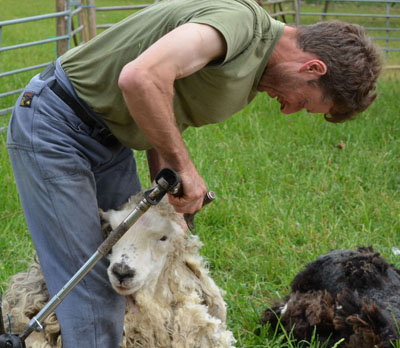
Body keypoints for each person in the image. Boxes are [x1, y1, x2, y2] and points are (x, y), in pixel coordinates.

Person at [6, 0, 383, 346]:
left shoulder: (254, 74)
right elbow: (140, 78)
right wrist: (183, 164)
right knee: (89, 282)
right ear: (312, 68)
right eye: (304, 103)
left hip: (111, 140)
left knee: (137, 265)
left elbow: (162, 105)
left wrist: (171, 199)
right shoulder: (238, 26)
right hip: (57, 124)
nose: (288, 111)